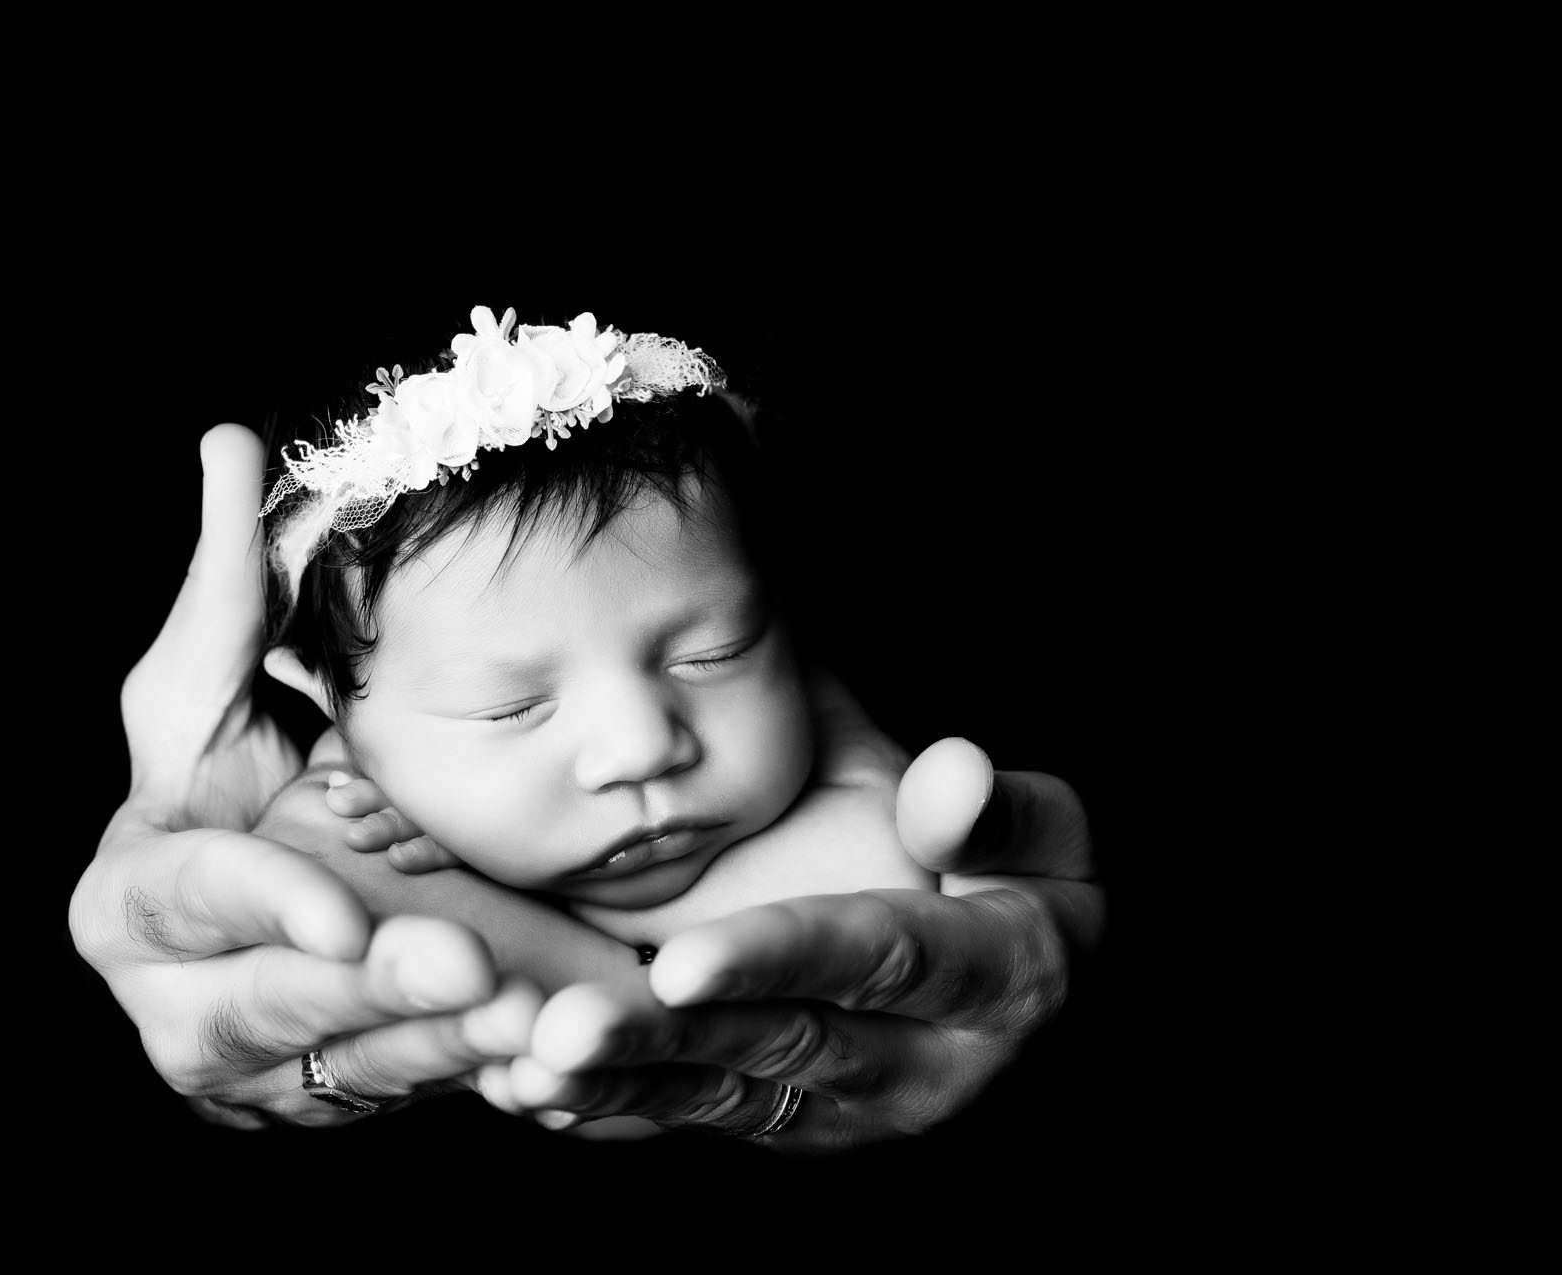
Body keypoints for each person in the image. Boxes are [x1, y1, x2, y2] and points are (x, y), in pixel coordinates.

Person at [70, 307, 1105, 1150]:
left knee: (884, 863)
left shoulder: (838, 772)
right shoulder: (342, 819)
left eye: (715, 652)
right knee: (336, 904)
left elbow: (900, 931)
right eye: (508, 707)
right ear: (322, 697)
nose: (642, 748)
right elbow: (284, 972)